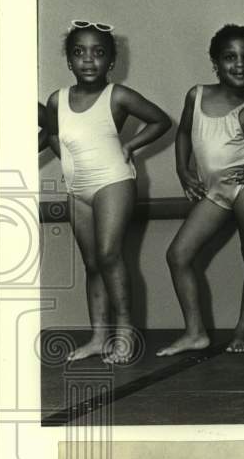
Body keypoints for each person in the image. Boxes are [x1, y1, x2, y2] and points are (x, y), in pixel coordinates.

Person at [157, 24, 244, 356]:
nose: (240, 65)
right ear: (215, 62)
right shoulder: (197, 94)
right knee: (178, 256)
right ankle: (195, 332)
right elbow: (185, 133)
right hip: (214, 194)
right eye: (230, 57)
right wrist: (182, 170)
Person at [44, 20, 171, 363]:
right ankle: (99, 337)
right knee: (92, 263)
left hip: (112, 182)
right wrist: (61, 157)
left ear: (111, 62)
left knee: (109, 254)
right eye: (79, 52)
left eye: (98, 53)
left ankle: (125, 335)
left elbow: (161, 121)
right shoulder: (57, 99)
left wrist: (131, 146)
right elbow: (53, 134)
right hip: (77, 188)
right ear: (69, 60)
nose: (89, 60)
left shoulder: (118, 96)